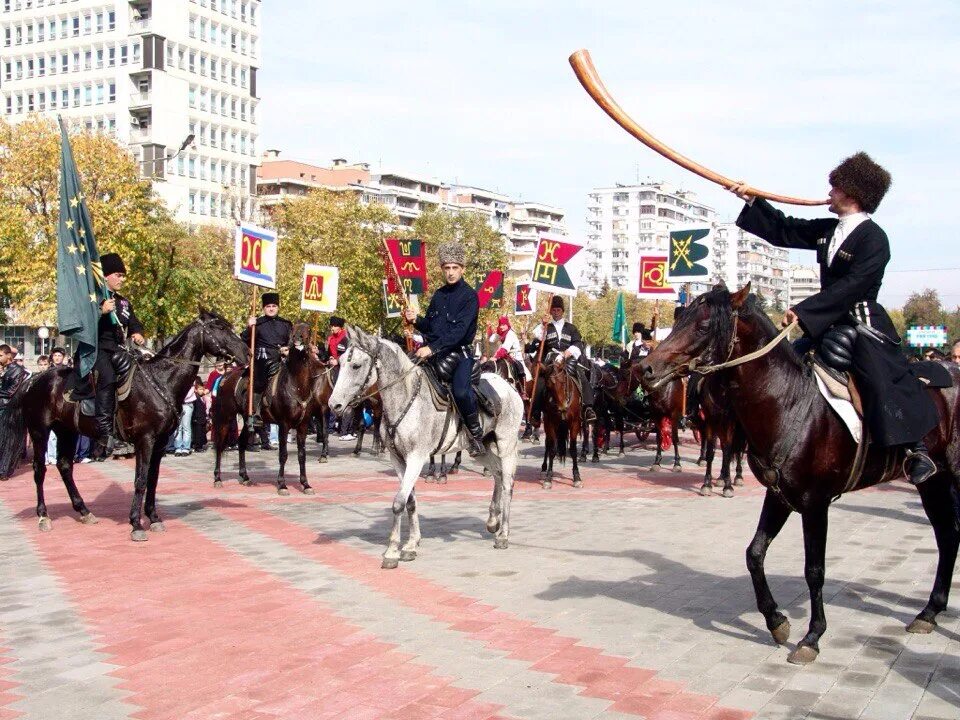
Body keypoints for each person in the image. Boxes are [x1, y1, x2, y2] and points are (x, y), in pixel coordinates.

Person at [727, 151, 938, 485]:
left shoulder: (875, 239)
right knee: (783, 366)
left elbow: (854, 286)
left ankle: (915, 449)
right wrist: (754, 200)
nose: (828, 193)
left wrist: (804, 310)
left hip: (862, 319)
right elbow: (786, 230)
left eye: (835, 187)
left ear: (851, 193)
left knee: (878, 376)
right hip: (825, 322)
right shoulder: (829, 229)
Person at [402, 241, 484, 456]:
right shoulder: (438, 295)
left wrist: (432, 348)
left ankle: (475, 435)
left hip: (460, 355)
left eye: (455, 267)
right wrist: (416, 320)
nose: (450, 272)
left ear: (462, 269)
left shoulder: (470, 296)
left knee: (461, 391)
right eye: (446, 268)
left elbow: (459, 332)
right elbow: (431, 326)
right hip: (436, 353)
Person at [90, 252, 146, 461]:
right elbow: (83, 322)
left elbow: (134, 322)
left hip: (120, 349)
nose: (122, 279)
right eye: (118, 275)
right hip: (98, 349)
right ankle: (104, 433)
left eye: (123, 275)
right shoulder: (94, 297)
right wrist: (101, 311)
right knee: (107, 377)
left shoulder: (123, 302)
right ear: (105, 276)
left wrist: (137, 332)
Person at [527, 295, 596, 431]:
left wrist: (565, 354)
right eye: (554, 310)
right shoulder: (547, 326)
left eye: (558, 310)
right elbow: (537, 337)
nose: (556, 312)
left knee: (581, 376)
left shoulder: (571, 328)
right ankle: (535, 412)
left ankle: (588, 408)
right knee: (540, 382)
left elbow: (577, 344)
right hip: (550, 360)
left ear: (562, 311)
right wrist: (542, 324)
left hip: (567, 358)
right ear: (551, 311)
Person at [240, 292, 291, 451]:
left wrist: (287, 349)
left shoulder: (286, 324)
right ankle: (255, 413)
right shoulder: (257, 323)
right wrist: (250, 326)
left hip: (281, 359)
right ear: (263, 308)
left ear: (278, 307)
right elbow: (244, 339)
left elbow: (291, 342)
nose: (271, 309)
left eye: (273, 306)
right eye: (268, 306)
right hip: (262, 358)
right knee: (260, 379)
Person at [326, 316, 356, 441]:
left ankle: (347, 429)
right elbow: (328, 353)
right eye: (331, 326)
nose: (332, 328)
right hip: (333, 367)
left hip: (344, 369)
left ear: (340, 327)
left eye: (334, 326)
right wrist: (329, 358)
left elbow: (349, 354)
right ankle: (331, 426)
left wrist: (337, 360)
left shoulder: (347, 338)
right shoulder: (330, 338)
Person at [489, 315, 530, 382]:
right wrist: (490, 328)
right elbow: (491, 340)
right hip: (505, 357)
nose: (501, 327)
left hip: (515, 356)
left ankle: (523, 389)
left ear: (507, 325)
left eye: (503, 325)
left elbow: (505, 348)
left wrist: (496, 357)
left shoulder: (510, 334)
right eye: (500, 325)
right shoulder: (501, 333)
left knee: (520, 369)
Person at [192, 378, 210, 453]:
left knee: (202, 432)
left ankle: (201, 444)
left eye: (203, 389)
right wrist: (194, 418)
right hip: (197, 419)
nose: (201, 391)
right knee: (198, 433)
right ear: (196, 390)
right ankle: (197, 447)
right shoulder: (195, 398)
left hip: (202, 418)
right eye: (200, 389)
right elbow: (194, 410)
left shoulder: (202, 398)